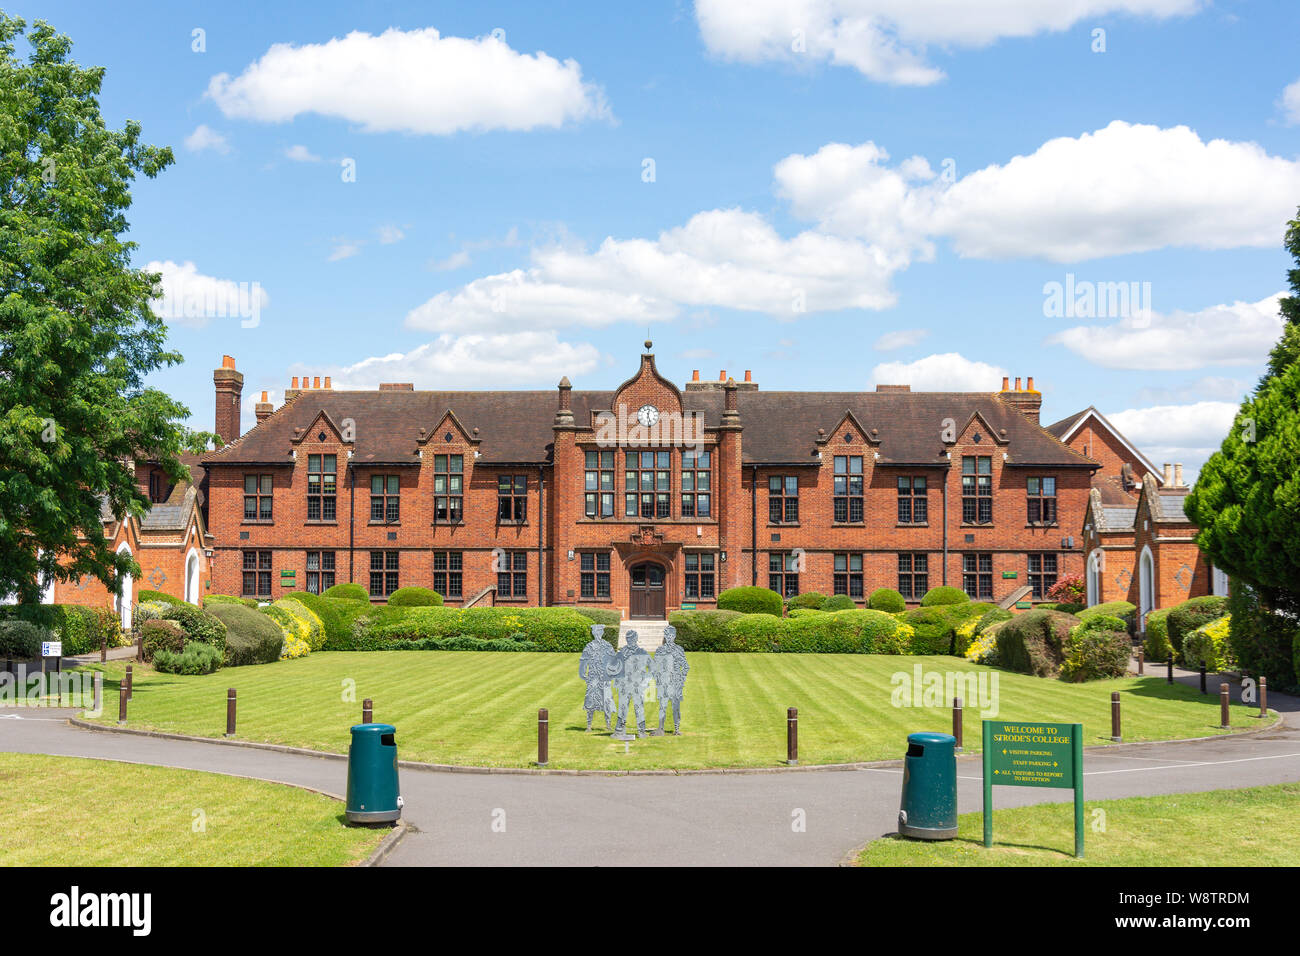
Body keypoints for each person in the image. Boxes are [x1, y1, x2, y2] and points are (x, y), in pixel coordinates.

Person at [608, 629, 652, 738]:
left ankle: (641, 731)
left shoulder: (642, 652)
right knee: (622, 707)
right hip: (624, 686)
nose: (630, 641)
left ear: (636, 639)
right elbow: (613, 667)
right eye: (627, 639)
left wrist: (646, 681)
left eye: (632, 638)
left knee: (639, 707)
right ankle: (619, 730)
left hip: (637, 686)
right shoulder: (622, 652)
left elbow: (653, 668)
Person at [650, 625, 689, 735]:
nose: (669, 637)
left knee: (675, 707)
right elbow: (654, 667)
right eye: (667, 635)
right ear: (665, 636)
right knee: (662, 706)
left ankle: (677, 729)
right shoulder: (660, 650)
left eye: (671, 635)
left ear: (674, 636)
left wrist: (681, 679)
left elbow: (685, 666)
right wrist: (657, 678)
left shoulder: (678, 650)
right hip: (664, 682)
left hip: (675, 682)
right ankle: (660, 729)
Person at [578, 625, 616, 731]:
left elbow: (613, 661)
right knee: (590, 699)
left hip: (604, 677)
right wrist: (582, 673)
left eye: (599, 632)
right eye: (596, 632)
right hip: (593, 677)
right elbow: (584, 660)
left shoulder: (607, 646)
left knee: (607, 700)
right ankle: (589, 725)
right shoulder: (589, 646)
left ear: (602, 633)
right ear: (593, 633)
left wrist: (612, 674)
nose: (597, 634)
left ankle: (608, 724)